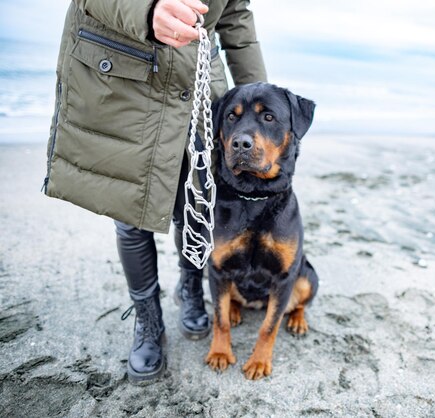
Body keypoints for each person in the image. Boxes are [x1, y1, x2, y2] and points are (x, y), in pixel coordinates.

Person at [43, 0, 267, 383]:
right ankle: (148, 320)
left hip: (197, 81)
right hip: (122, 76)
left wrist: (258, 107)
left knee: (194, 202)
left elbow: (235, 16)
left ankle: (192, 288)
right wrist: (146, 11)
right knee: (131, 211)